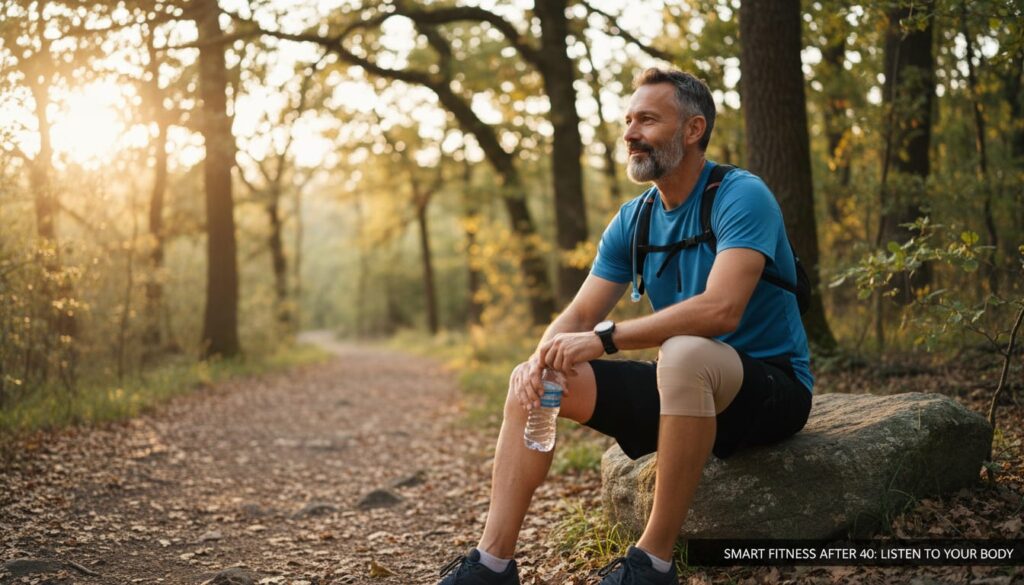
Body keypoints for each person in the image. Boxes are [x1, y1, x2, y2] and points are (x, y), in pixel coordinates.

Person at [437, 67, 814, 585]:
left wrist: (606, 340)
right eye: (628, 120)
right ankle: (492, 564)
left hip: (769, 390)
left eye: (648, 120)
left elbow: (721, 309)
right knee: (539, 380)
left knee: (682, 351)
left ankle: (652, 564)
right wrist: (537, 360)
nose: (631, 132)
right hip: (684, 395)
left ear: (693, 130)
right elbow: (577, 315)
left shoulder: (740, 196)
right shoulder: (634, 220)